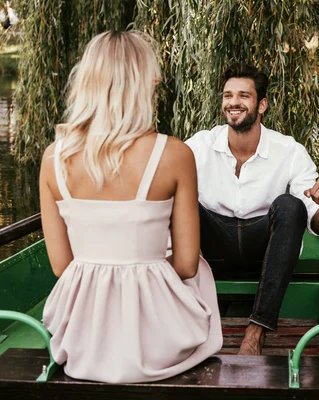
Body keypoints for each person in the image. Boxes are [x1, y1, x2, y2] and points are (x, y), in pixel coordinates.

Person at [39, 31, 222, 383]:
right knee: (200, 268)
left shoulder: (53, 159)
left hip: (85, 339)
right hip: (155, 341)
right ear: (143, 84)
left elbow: (63, 267)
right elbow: (184, 265)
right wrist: (145, 270)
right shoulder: (174, 154)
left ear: (88, 83)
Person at [185, 62, 319, 355]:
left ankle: (255, 333)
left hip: (264, 256)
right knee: (180, 198)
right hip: (213, 249)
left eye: (244, 95)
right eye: (228, 95)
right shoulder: (199, 146)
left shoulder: (289, 151)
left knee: (290, 206)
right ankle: (180, 318)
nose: (234, 102)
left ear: (262, 105)